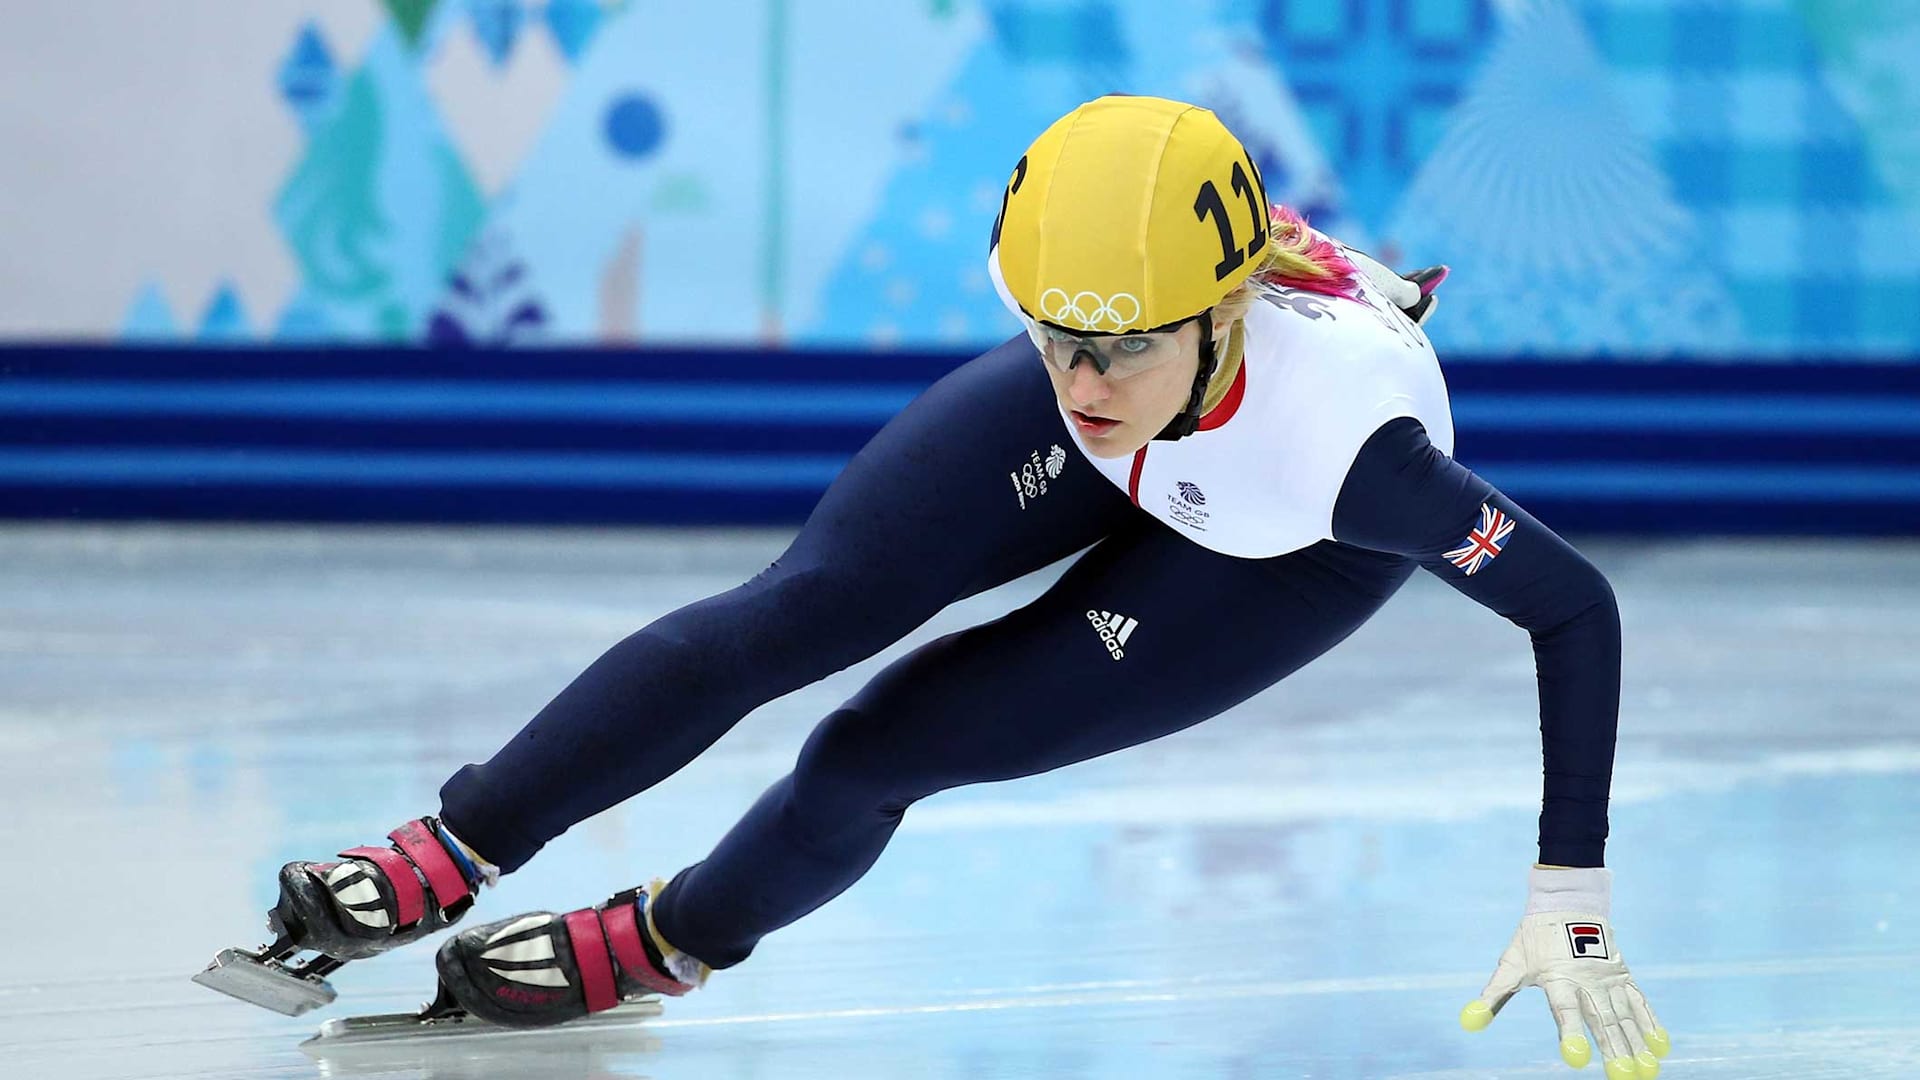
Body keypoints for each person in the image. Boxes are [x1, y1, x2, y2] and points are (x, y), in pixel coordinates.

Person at [264, 95, 1668, 1077]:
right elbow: (1090, 363)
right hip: (1195, 428)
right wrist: (1095, 362)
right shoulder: (1106, 344)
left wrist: (1574, 889)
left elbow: (1574, 606)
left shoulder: (1359, 459)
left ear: (1223, 311)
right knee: (795, 612)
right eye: (1049, 338)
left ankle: (667, 941)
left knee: (875, 752)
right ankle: (452, 846)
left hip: (1271, 552)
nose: (1079, 384)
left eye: (1114, 351)